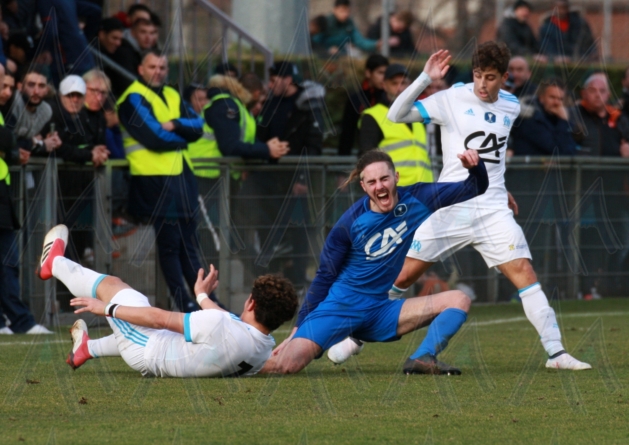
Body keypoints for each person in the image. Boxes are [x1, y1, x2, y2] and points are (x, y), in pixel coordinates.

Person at [330, 43, 591, 371]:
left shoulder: (510, 106)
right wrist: (426, 77)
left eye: (491, 78)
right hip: (451, 206)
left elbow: (492, 157)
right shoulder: (451, 98)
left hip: (493, 209)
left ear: (505, 78)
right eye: (478, 76)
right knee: (402, 276)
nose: (482, 84)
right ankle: (356, 337)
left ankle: (556, 353)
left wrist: (503, 188)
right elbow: (396, 114)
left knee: (525, 272)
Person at [260, 147, 489, 375]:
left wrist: (475, 167)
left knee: (459, 299)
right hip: (341, 307)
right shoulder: (349, 223)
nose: (379, 186)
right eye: (371, 182)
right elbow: (324, 276)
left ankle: (422, 358)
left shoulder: (419, 198)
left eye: (384, 178)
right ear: (364, 187)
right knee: (286, 365)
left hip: (380, 310)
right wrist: (298, 327)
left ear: (396, 178)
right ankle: (232, 362)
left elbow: (475, 187)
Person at [36, 224, 297, 376]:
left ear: (251, 303)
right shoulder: (263, 345)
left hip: (145, 349)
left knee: (118, 289)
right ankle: (86, 349)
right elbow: (223, 319)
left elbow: (158, 319)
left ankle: (54, 264)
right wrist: (202, 295)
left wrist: (106, 308)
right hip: (161, 351)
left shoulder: (220, 325)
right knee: (142, 314)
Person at [117, 50, 206, 313]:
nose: (158, 71)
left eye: (163, 67)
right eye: (153, 66)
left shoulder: (172, 94)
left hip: (181, 177)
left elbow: (198, 126)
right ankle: (183, 303)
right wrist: (181, 135)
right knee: (169, 245)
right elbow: (154, 137)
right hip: (154, 180)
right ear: (140, 68)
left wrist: (175, 123)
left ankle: (203, 301)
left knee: (189, 244)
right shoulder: (132, 98)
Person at [0, 63, 52, 335]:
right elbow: (8, 140)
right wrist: (27, 144)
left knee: (9, 263)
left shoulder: (9, 111)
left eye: (8, 85)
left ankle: (18, 320)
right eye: (3, 85)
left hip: (3, 196)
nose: (6, 92)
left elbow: (8, 144)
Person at [358, 63, 432, 186]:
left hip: (425, 188)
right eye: (394, 83)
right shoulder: (372, 116)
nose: (400, 88)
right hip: (395, 190)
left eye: (403, 83)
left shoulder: (418, 114)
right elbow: (367, 158)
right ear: (384, 85)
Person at [338, 54, 388, 155]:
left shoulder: (388, 98)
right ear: (368, 73)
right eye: (380, 73)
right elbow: (347, 133)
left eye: (386, 73)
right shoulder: (356, 99)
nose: (384, 78)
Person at [511, 78, 576, 156]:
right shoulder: (529, 119)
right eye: (552, 97)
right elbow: (556, 150)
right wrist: (564, 122)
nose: (557, 103)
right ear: (541, 98)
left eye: (560, 99)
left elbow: (571, 150)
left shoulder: (558, 118)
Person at [569, 74, 629, 157]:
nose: (598, 95)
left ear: (608, 95)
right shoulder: (572, 116)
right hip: (582, 168)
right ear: (583, 93)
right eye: (592, 90)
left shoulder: (619, 119)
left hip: (613, 169)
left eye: (602, 91)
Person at [311, 0, 378, 56]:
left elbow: (360, 41)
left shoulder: (349, 24)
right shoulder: (326, 23)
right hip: (322, 56)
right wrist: (328, 50)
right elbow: (315, 43)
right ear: (335, 10)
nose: (345, 14)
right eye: (342, 11)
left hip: (341, 56)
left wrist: (375, 44)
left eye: (347, 11)